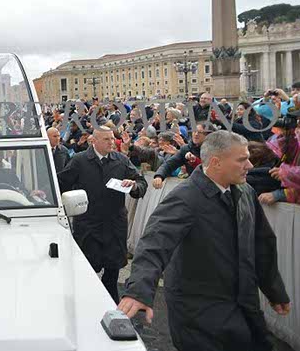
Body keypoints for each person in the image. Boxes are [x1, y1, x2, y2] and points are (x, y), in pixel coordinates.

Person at [119, 131, 290, 351]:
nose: (249, 165)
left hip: (243, 305)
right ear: (216, 162)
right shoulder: (185, 197)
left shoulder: (246, 192)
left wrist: (274, 290)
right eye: (241, 160)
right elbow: (154, 243)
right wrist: (139, 291)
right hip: (199, 313)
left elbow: (262, 244)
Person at [58, 126, 147, 303]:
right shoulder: (79, 160)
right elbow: (62, 183)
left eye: (112, 138)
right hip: (88, 225)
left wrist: (134, 186)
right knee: (87, 270)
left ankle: (111, 305)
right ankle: (84, 304)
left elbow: (141, 182)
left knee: (112, 271)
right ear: (94, 141)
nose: (111, 142)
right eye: (107, 139)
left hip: (114, 225)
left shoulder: (121, 160)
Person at [152, 123, 217, 189]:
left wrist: (195, 161)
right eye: (194, 131)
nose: (196, 134)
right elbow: (169, 164)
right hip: (194, 186)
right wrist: (159, 176)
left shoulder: (216, 151)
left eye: (200, 132)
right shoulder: (186, 149)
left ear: (208, 135)